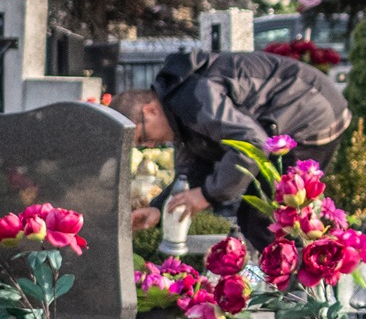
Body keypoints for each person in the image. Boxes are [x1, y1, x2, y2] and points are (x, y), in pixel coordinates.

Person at [111, 50, 351, 243]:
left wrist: (207, 194)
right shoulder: (179, 111)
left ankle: (300, 293)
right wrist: (159, 210)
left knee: (270, 221)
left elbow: (251, 143)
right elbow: (190, 175)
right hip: (290, 116)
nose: (151, 145)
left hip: (310, 112)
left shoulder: (196, 98)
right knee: (256, 221)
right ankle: (277, 289)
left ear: (150, 111)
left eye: (144, 138)